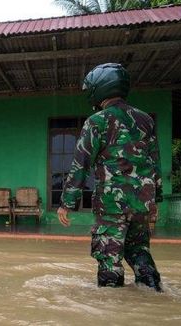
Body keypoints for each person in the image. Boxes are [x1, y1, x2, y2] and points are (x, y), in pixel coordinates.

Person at [57, 63, 163, 292]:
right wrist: (157, 201)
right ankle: (155, 293)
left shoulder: (97, 121)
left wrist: (66, 203)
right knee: (139, 250)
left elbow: (80, 165)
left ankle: (111, 308)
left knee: (109, 257)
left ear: (101, 88)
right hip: (142, 203)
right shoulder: (146, 120)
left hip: (112, 205)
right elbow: (155, 163)